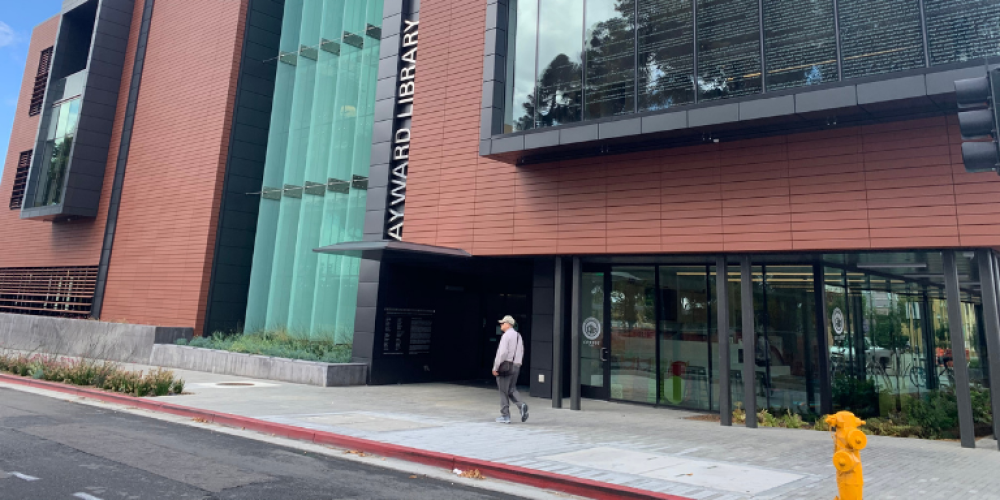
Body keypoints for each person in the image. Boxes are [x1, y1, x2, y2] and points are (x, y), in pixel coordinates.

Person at [493, 315, 527, 424]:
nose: (501, 325)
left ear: (508, 324)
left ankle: (505, 416)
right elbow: (521, 351)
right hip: (516, 365)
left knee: (503, 391)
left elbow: (502, 353)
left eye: (502, 323)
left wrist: (495, 367)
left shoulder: (506, 336)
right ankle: (522, 405)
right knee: (511, 389)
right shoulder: (518, 335)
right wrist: (518, 363)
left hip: (506, 366)